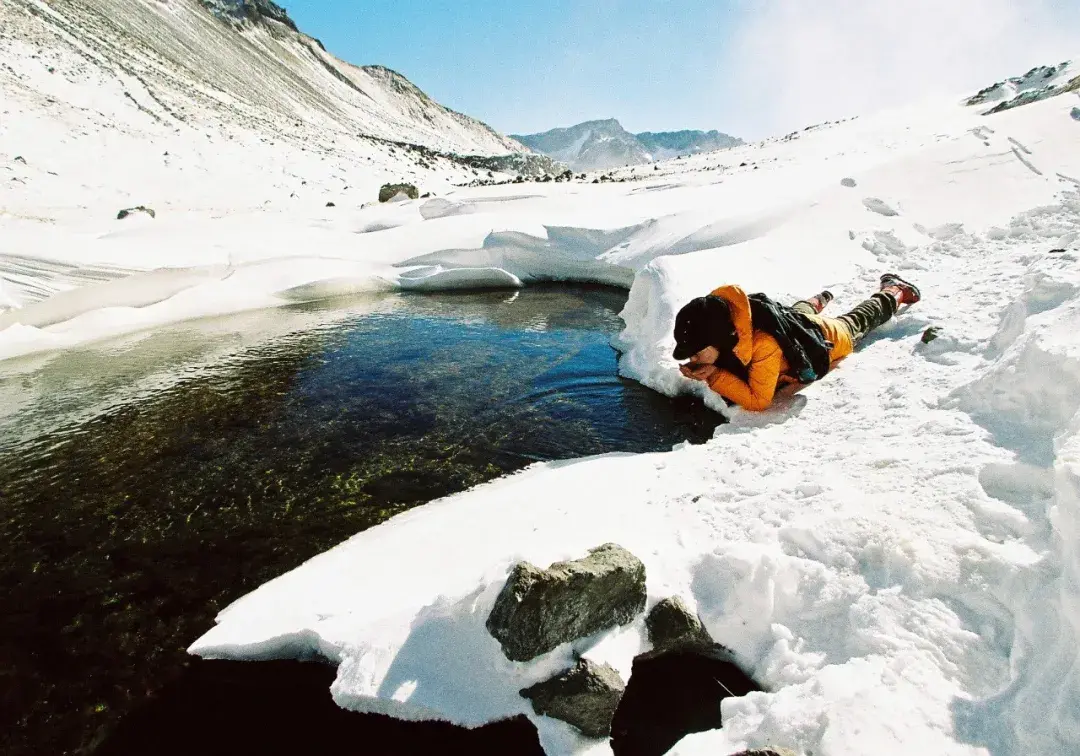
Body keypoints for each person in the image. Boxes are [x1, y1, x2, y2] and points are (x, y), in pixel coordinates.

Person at [674, 274, 921, 411]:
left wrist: (715, 375)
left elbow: (759, 400)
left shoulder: (764, 344)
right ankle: (816, 302)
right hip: (794, 322)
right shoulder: (735, 323)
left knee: (856, 322)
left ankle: (893, 290)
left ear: (717, 340)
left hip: (826, 337)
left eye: (696, 353)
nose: (691, 359)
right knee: (795, 314)